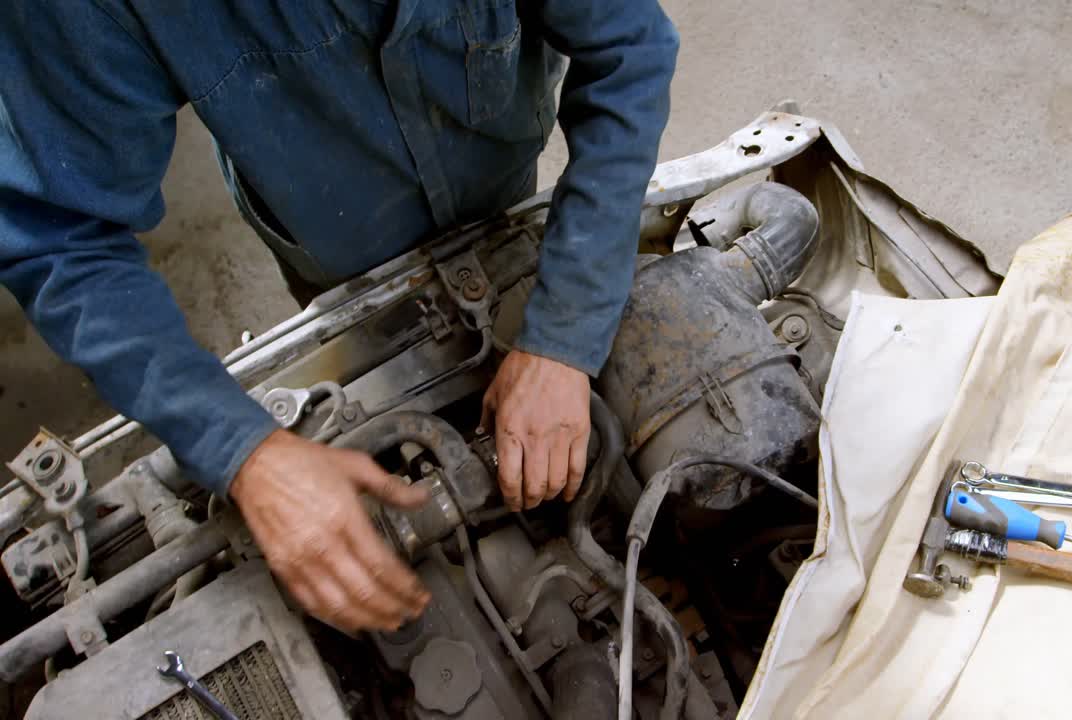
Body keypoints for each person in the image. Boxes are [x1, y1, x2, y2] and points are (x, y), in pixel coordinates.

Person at [0, 1, 678, 633]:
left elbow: (630, 46)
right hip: (330, 239)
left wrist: (562, 335)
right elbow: (62, 237)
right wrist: (243, 452)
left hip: (495, 184)